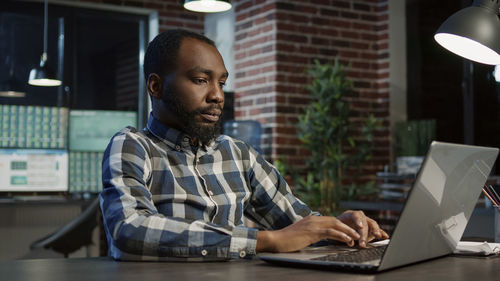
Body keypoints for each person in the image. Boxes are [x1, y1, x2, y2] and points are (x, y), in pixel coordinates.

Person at [99, 29, 389, 261]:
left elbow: (297, 224)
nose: (217, 96)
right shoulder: (133, 145)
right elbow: (130, 230)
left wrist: (341, 227)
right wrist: (266, 241)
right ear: (156, 86)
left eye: (222, 83)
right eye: (201, 80)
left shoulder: (238, 154)